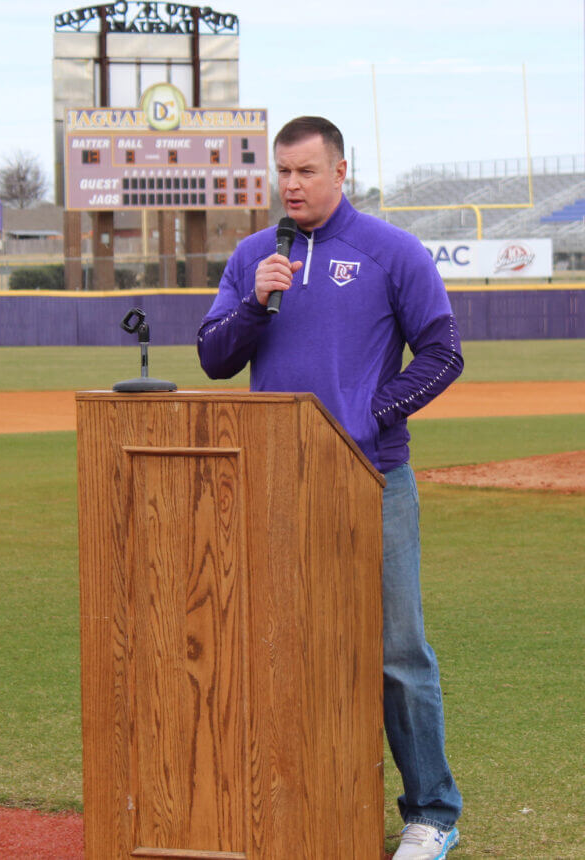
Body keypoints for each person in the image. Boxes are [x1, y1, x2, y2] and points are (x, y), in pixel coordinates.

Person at [197, 116, 463, 860]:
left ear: (341, 172)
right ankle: (295, 797)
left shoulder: (391, 251)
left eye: (306, 171)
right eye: (282, 172)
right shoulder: (256, 254)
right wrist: (253, 303)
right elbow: (213, 358)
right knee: (278, 646)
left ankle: (433, 814)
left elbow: (443, 353)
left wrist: (372, 414)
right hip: (275, 486)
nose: (291, 186)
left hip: (372, 482)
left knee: (397, 654)